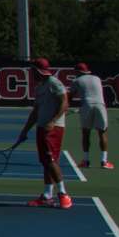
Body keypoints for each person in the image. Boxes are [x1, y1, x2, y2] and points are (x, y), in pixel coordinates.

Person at [17, 58, 74, 208]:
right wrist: (24, 130)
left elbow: (65, 103)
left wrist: (53, 121)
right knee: (45, 162)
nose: (30, 73)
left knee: (50, 160)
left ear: (37, 70)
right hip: (42, 127)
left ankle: (63, 194)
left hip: (53, 128)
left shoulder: (54, 83)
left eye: (32, 70)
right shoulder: (40, 87)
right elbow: (35, 112)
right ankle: (47, 196)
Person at [72, 62, 112, 171]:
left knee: (86, 133)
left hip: (87, 106)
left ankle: (85, 161)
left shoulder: (76, 81)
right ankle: (104, 161)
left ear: (78, 72)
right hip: (100, 105)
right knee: (102, 132)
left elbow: (69, 97)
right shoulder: (97, 78)